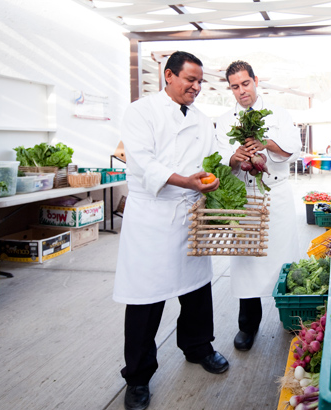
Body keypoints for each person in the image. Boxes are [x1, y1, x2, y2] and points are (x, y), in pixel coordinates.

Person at [114, 51, 229, 410]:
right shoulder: (140, 111)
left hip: (189, 215)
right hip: (152, 215)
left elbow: (214, 160)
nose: (196, 87)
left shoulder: (200, 118)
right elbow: (143, 161)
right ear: (168, 76)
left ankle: (198, 348)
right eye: (189, 80)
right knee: (146, 297)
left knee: (196, 288)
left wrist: (235, 161)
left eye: (199, 82)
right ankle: (138, 376)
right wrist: (186, 182)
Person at [215, 60, 301, 352]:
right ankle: (247, 326)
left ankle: (290, 320)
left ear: (255, 80)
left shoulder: (279, 113)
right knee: (246, 262)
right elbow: (218, 155)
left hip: (275, 194)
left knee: (283, 260)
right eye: (235, 87)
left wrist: (267, 143)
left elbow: (293, 148)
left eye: (245, 83)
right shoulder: (225, 119)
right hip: (245, 198)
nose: (241, 91)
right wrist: (234, 156)